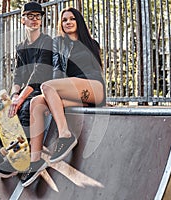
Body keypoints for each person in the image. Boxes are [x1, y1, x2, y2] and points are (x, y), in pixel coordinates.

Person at [20, 7, 106, 187]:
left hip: (93, 86)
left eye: (72, 19)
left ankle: (65, 135)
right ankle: (35, 161)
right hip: (72, 90)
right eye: (64, 20)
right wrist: (50, 100)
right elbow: (56, 74)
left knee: (47, 87)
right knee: (37, 102)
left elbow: (98, 71)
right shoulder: (60, 45)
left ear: (78, 22)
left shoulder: (91, 43)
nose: (68, 22)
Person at [0, 1, 53, 178]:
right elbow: (18, 76)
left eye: (38, 17)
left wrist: (20, 98)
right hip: (25, 91)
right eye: (30, 16)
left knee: (24, 107)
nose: (34, 20)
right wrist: (14, 95)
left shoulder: (47, 41)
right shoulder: (21, 47)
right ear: (22, 20)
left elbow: (40, 73)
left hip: (44, 90)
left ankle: (18, 160)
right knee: (0, 108)